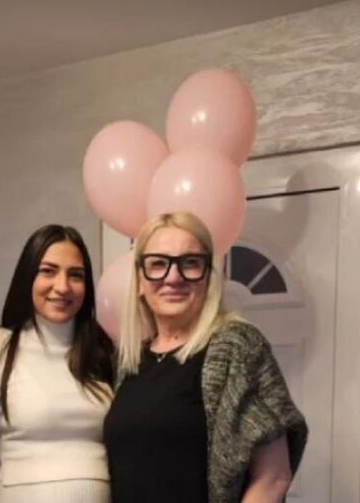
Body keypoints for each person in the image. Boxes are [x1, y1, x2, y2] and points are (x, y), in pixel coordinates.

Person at [104, 211, 308, 503]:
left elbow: (274, 477)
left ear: (209, 277)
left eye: (190, 263)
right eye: (158, 263)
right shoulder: (128, 361)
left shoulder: (238, 348)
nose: (173, 277)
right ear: (139, 280)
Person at [0, 225, 115, 503]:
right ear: (28, 276)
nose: (62, 286)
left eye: (76, 275)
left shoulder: (105, 352)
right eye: (48, 271)